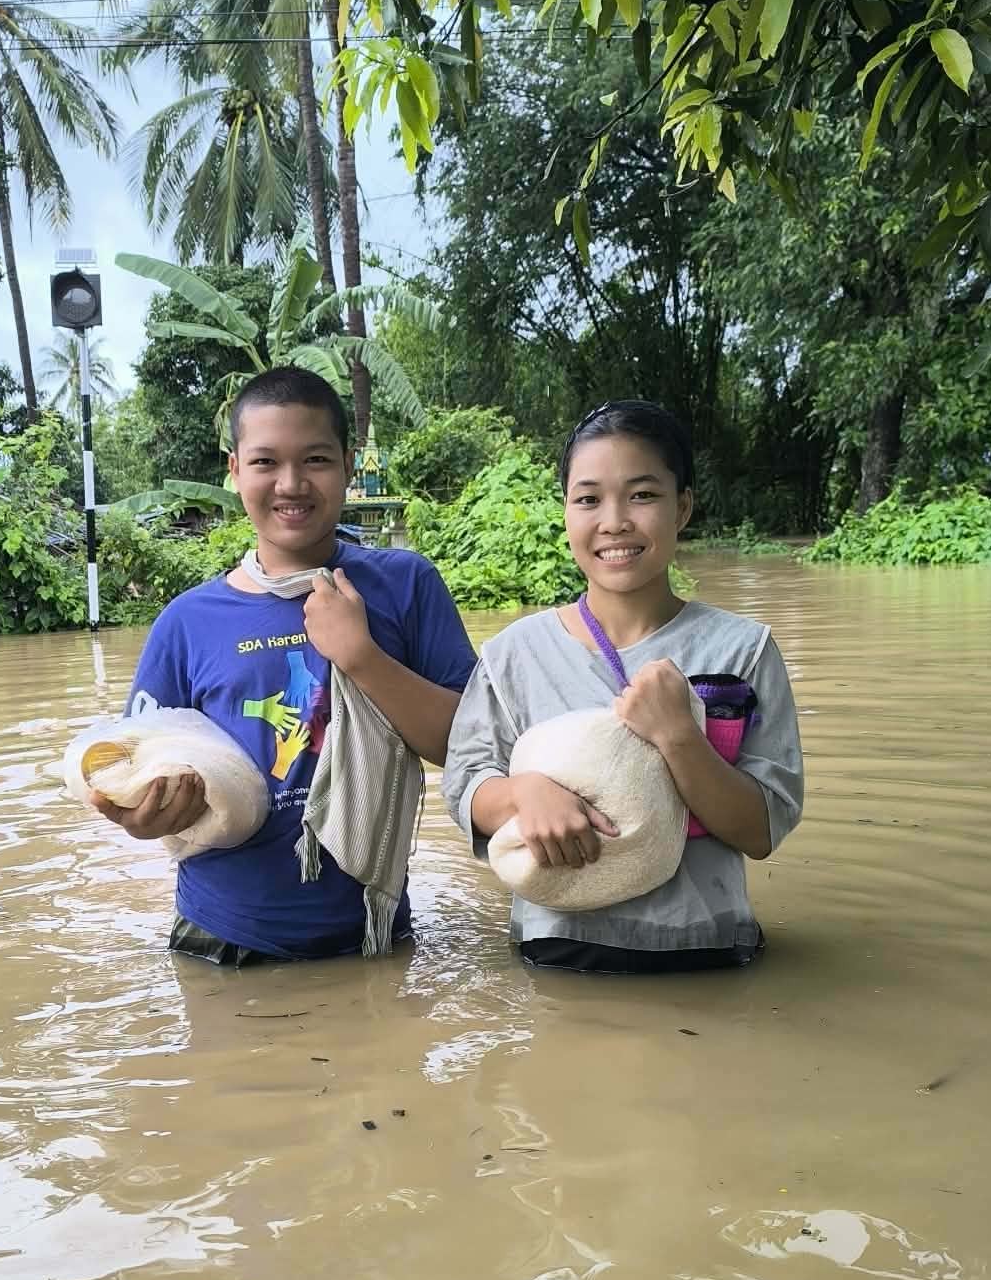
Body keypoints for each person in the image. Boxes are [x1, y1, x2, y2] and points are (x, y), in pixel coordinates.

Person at [91, 366, 477, 963]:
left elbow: (469, 746)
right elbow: (135, 767)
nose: (291, 484)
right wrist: (143, 816)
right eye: (266, 462)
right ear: (235, 469)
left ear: (349, 465)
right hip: (224, 941)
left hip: (376, 937)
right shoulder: (188, 622)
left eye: (316, 460)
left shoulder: (405, 585)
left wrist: (361, 657)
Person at [441, 401, 803, 972]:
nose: (614, 521)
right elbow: (466, 790)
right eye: (588, 499)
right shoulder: (514, 654)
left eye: (643, 495)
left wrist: (682, 736)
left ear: (682, 507)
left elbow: (761, 830)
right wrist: (523, 793)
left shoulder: (743, 650)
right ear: (565, 511)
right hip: (555, 951)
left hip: (705, 951)